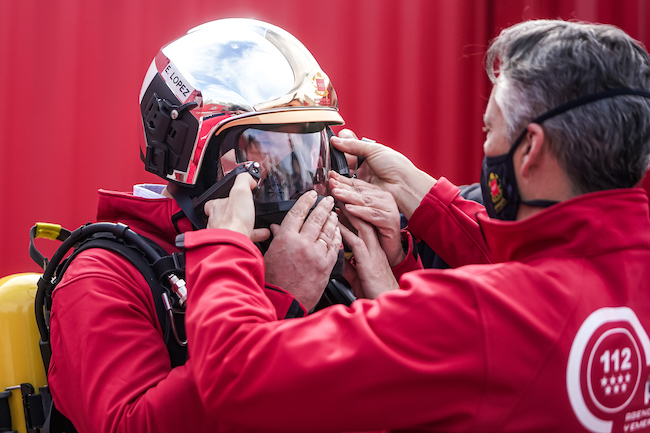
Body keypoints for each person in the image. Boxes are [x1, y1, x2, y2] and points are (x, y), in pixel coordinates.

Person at [175, 19, 650, 432]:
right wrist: (418, 195)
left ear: (531, 151)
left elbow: (235, 376)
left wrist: (225, 245)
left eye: (490, 131)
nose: (486, 148)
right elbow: (566, 267)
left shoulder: (474, 317)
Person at [47, 18, 359, 433]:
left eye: (308, 154)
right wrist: (279, 300)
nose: (297, 187)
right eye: (265, 154)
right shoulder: (106, 277)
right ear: (193, 150)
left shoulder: (305, 261)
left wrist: (385, 267)